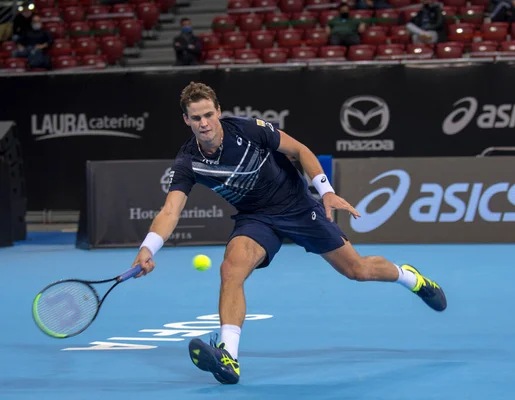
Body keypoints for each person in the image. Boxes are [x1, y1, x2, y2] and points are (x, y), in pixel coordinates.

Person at [130, 82, 447, 385]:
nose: (204, 123)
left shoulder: (248, 130)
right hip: (256, 218)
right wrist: (148, 248)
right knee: (231, 269)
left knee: (358, 270)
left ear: (218, 111)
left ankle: (411, 278)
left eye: (209, 114)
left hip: (296, 206)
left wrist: (326, 192)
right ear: (186, 120)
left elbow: (300, 150)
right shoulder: (189, 162)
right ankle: (228, 355)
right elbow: (171, 210)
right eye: (196, 117)